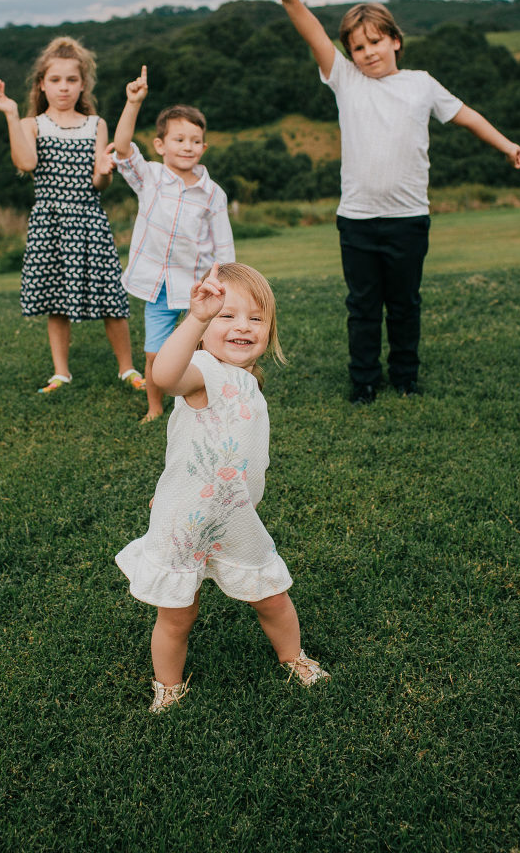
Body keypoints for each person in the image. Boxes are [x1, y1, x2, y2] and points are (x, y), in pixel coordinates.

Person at [262, 0, 520, 404]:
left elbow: (468, 116)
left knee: (404, 305)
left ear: (396, 40)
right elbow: (314, 36)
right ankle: (363, 380)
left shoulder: (421, 85)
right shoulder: (346, 82)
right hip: (358, 222)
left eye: (376, 42)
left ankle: (405, 377)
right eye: (358, 47)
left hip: (408, 220)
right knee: (362, 307)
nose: (367, 53)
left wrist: (506, 144)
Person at [115, 261, 330, 712]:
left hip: (236, 518)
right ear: (203, 330)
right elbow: (164, 377)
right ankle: (168, 686)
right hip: (185, 520)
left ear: (270, 331)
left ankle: (294, 658)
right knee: (178, 614)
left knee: (272, 597)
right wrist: (194, 317)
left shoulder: (248, 379)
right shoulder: (201, 372)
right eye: (225, 316)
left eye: (255, 318)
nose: (242, 327)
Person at [0, 36, 145, 395]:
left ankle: (128, 368)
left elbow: (99, 182)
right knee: (54, 300)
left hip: (89, 219)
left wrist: (106, 170)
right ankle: (61, 373)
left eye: (71, 80)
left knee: (111, 297)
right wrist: (12, 115)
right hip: (50, 222)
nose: (63, 88)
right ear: (41, 84)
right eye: (55, 80)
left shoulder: (96, 125)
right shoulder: (32, 124)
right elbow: (26, 163)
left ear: (83, 84)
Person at [112, 68, 235, 422]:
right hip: (158, 287)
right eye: (179, 139)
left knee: (204, 350)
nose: (188, 147)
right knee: (155, 352)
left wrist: (226, 285)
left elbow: (223, 247)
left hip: (199, 287)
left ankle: (207, 400)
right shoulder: (149, 177)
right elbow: (121, 148)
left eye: (195, 140)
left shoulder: (213, 194)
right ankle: (154, 406)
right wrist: (133, 102)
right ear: (161, 145)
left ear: (204, 147)